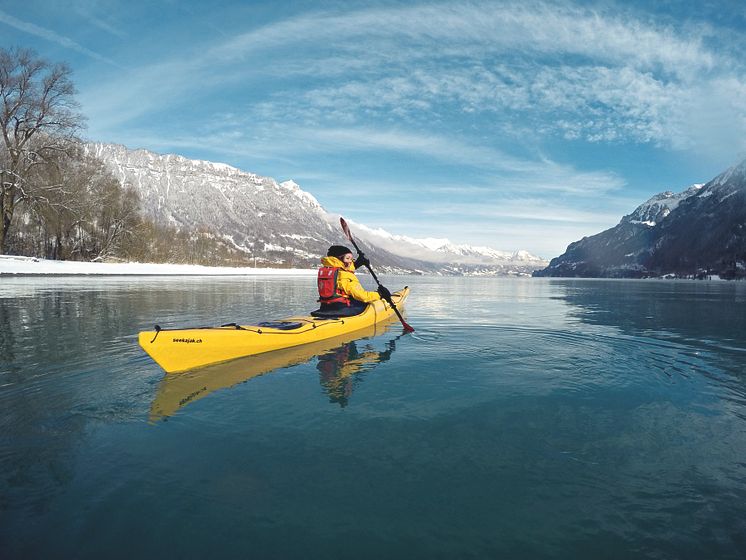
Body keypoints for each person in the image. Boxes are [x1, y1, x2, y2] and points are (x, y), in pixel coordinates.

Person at [312, 245, 391, 317]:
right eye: (347, 258)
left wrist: (357, 263)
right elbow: (362, 296)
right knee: (367, 302)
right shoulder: (346, 276)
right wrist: (379, 294)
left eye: (351, 259)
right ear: (339, 259)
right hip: (342, 309)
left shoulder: (328, 271)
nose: (350, 261)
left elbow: (342, 271)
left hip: (325, 307)